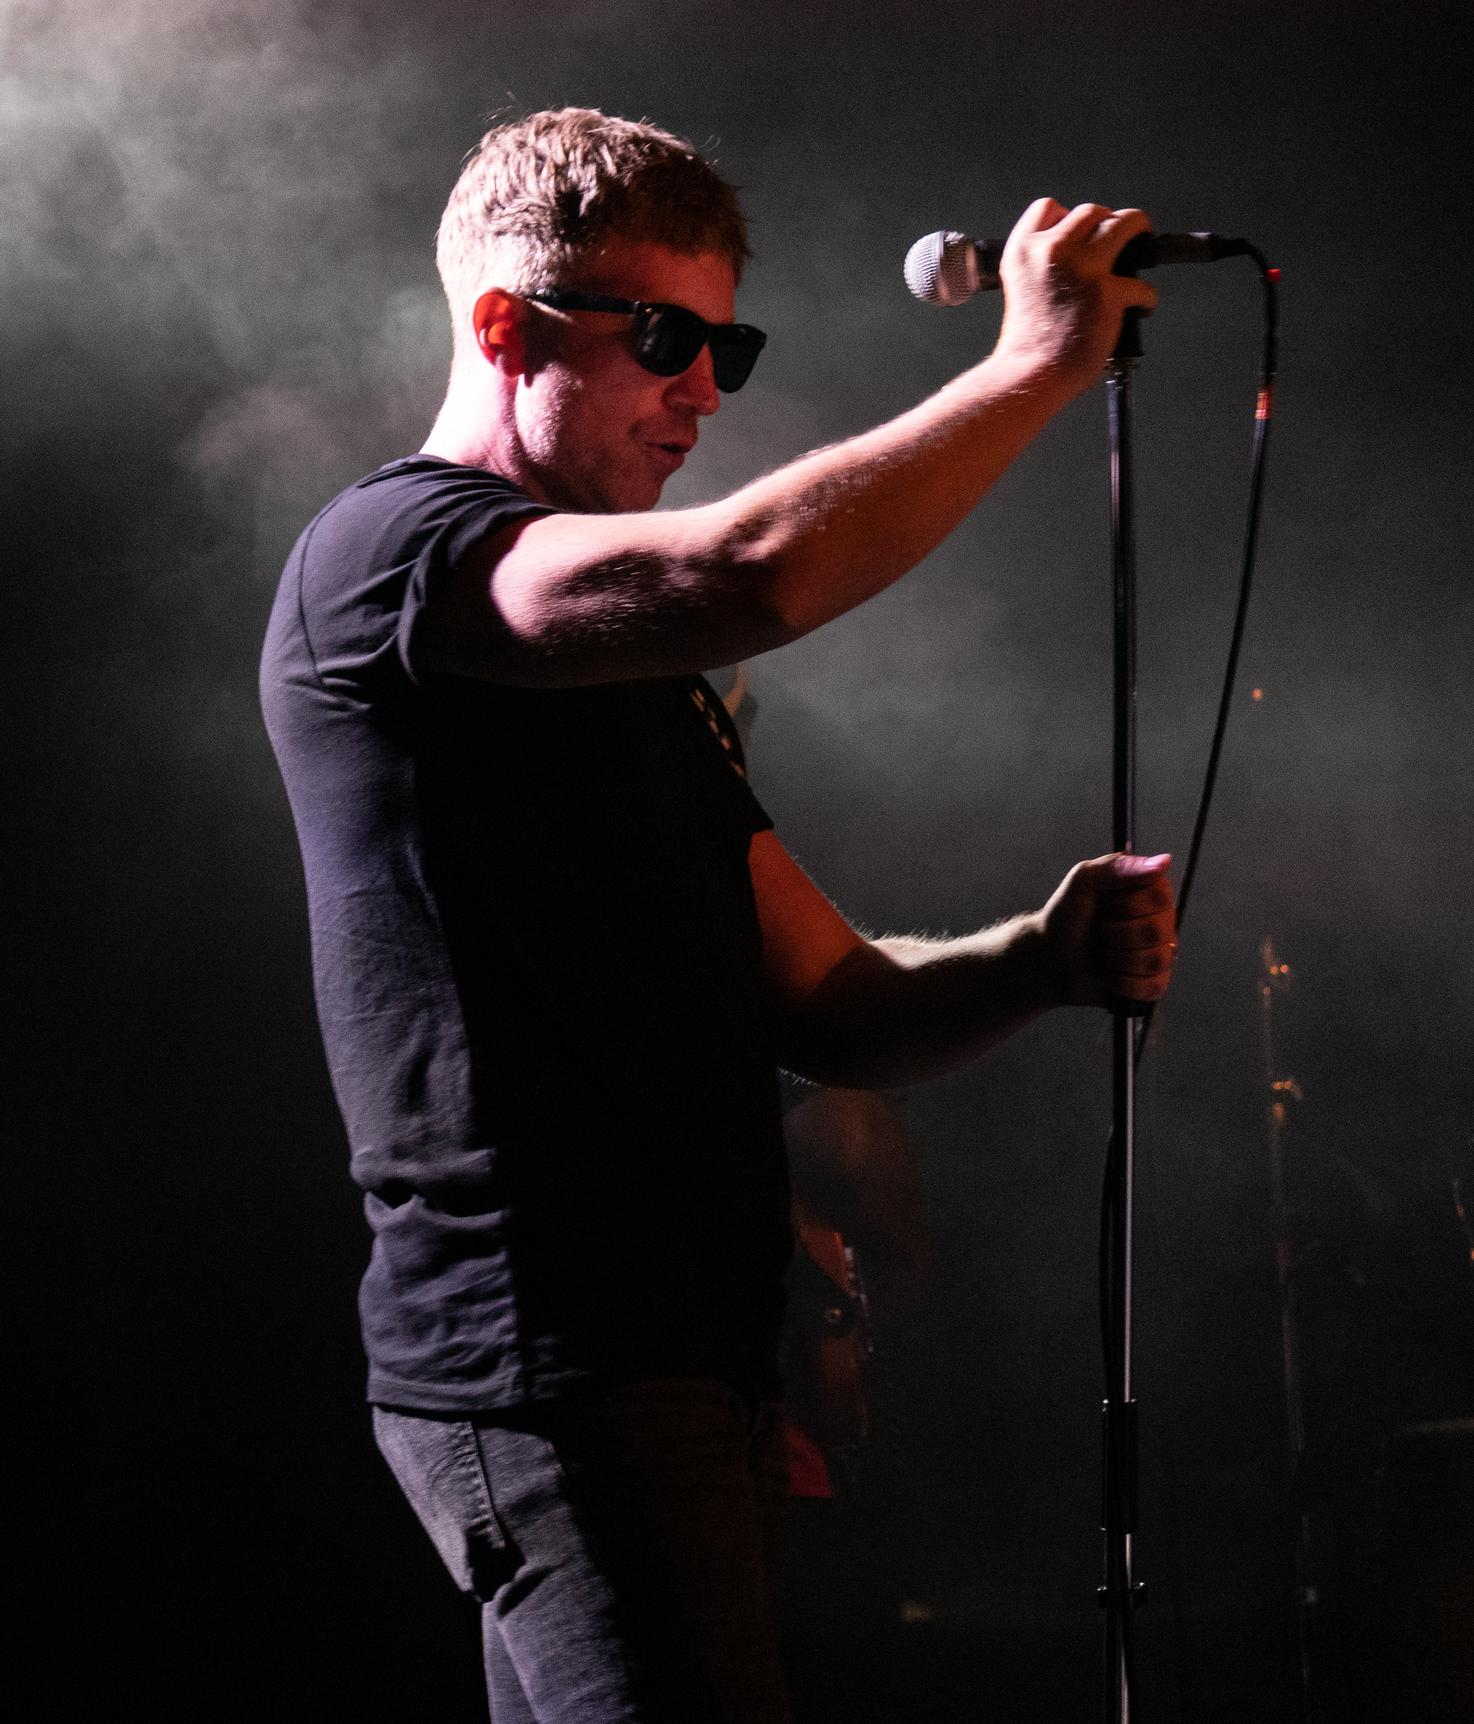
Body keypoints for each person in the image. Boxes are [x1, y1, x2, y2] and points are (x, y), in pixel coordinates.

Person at [257, 108, 1175, 1723]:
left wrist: (1039, 958)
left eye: (725, 347)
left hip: (701, 1360)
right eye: (664, 339)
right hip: (553, 1359)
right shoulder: (391, 558)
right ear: (504, 328)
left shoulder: (636, 676)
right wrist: (1035, 364)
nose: (703, 389)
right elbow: (747, 570)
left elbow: (834, 1006)